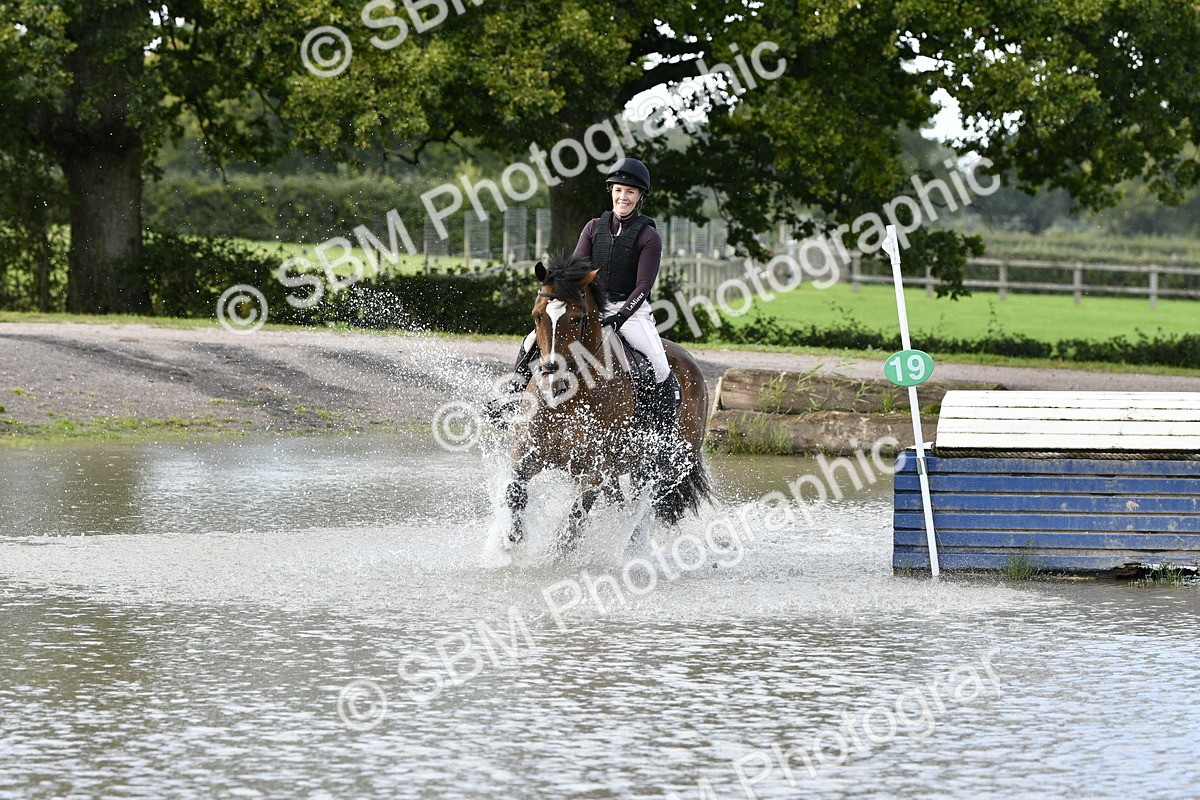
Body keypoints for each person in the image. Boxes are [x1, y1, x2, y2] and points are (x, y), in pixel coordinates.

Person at [487, 157, 680, 428]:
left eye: (630, 192)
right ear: (611, 191)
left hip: (631, 309)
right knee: (531, 341)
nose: (623, 197)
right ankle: (511, 402)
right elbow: (574, 274)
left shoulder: (648, 236)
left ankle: (657, 430)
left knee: (659, 365)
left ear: (640, 196)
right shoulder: (593, 227)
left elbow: (644, 286)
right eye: (618, 190)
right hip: (592, 308)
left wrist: (620, 317)